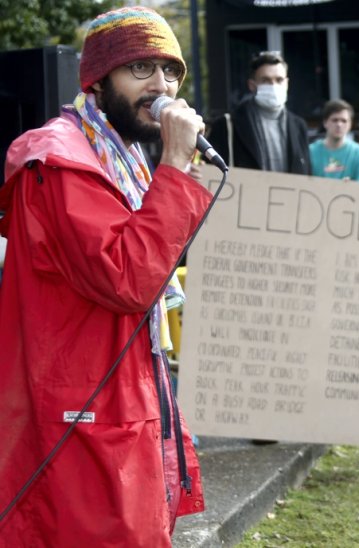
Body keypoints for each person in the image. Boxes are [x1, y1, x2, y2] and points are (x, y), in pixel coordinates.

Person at [0, 6, 207, 544]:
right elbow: (127, 279)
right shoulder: (63, 162)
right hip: (81, 416)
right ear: (97, 78)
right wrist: (175, 171)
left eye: (171, 71)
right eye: (141, 68)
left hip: (118, 401)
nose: (160, 85)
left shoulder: (124, 158)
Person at [207, 51, 311, 174]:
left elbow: (307, 173)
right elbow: (210, 171)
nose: (273, 85)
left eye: (279, 80)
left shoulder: (299, 126)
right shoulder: (227, 125)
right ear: (252, 85)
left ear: (287, 83)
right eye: (265, 80)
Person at [309, 99, 359, 183]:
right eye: (335, 120)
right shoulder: (310, 152)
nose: (339, 125)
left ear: (350, 124)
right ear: (325, 122)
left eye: (344, 121)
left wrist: (352, 187)